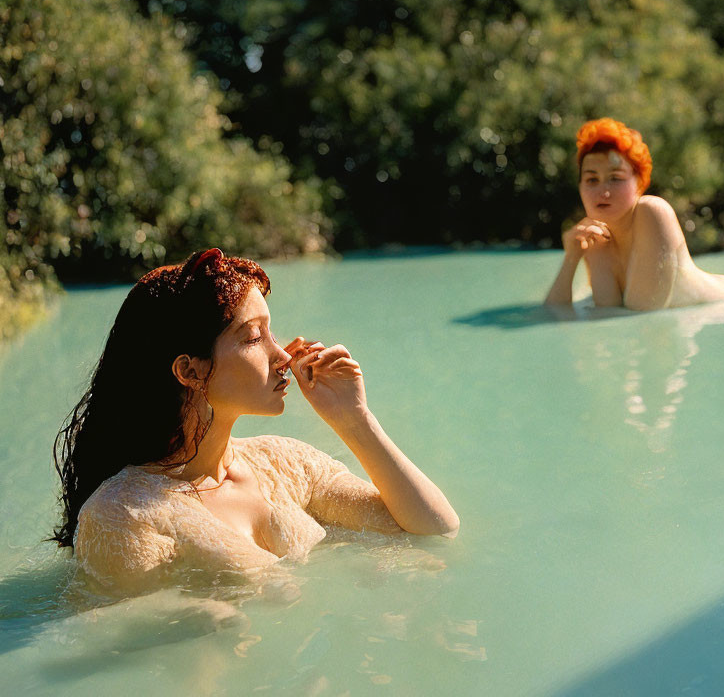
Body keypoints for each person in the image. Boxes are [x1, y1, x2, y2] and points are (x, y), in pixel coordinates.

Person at [53, 248, 459, 594]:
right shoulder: (122, 514)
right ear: (190, 371)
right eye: (253, 337)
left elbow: (434, 531)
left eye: (271, 332)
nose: (283, 355)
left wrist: (354, 420)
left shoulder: (282, 461)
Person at [544, 118, 724, 310]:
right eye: (592, 180)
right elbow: (555, 313)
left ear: (640, 184)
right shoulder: (596, 240)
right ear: (580, 187)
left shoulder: (652, 211)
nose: (603, 191)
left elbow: (640, 315)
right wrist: (571, 257)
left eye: (615, 178)